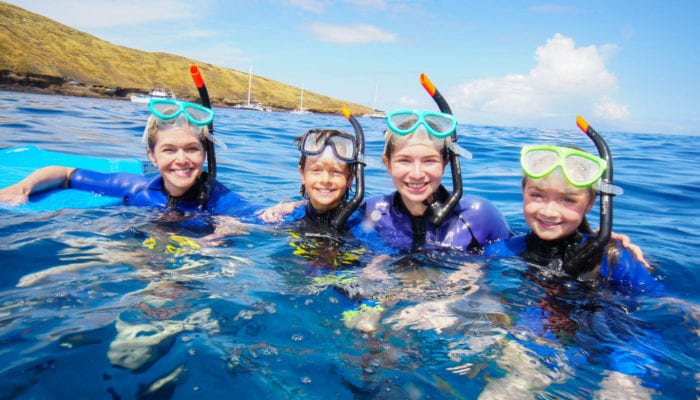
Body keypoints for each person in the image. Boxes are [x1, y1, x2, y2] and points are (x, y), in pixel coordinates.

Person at [0, 98, 258, 217]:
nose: (182, 159)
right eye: (169, 150)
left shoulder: (220, 201)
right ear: (152, 157)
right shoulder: (136, 187)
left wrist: (231, 227)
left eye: (192, 149)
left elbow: (259, 215)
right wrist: (21, 188)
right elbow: (65, 173)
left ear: (204, 155)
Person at [359, 109, 511, 252]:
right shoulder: (372, 211)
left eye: (429, 161)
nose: (416, 174)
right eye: (404, 161)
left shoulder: (479, 216)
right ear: (388, 164)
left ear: (445, 164)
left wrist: (479, 272)